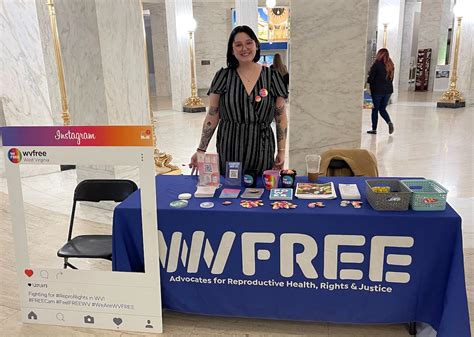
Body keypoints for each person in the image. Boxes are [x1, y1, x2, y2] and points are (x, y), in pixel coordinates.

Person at [189, 25, 288, 175]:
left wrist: (281, 151)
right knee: (230, 190)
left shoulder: (272, 77)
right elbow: (213, 114)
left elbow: (280, 117)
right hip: (230, 145)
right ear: (232, 50)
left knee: (259, 191)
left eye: (249, 43)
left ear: (256, 45)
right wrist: (201, 149)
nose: (244, 48)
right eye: (238, 45)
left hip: (261, 147)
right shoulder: (223, 76)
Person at [367, 48, 395, 135]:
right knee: (382, 109)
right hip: (388, 91)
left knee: (375, 109)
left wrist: (369, 77)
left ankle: (374, 129)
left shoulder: (376, 64)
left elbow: (371, 79)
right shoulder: (390, 64)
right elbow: (391, 78)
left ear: (379, 54)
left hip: (377, 91)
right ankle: (389, 122)